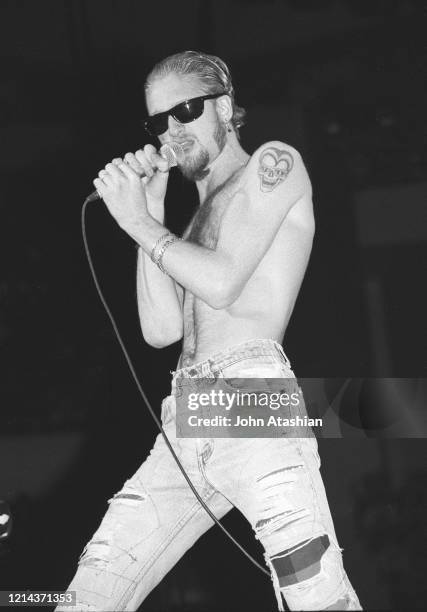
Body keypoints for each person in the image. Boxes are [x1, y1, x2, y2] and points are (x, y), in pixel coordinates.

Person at [57, 51, 362, 611]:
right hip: (185, 417)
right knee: (93, 587)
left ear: (224, 108)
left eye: (187, 110)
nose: (172, 131)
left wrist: (140, 223)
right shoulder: (191, 217)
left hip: (250, 399)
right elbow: (160, 330)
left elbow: (222, 284)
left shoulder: (274, 163)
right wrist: (148, 208)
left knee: (314, 596)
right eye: (158, 121)